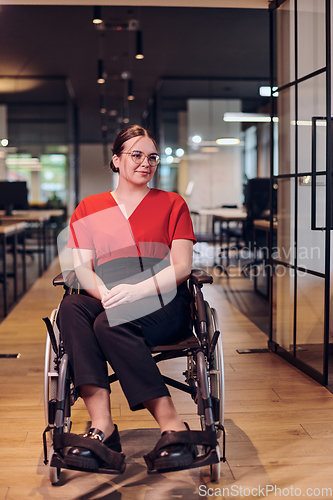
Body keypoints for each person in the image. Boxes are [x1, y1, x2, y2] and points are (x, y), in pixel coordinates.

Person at [57, 124, 197, 472]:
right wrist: (102, 292)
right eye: (136, 155)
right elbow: (81, 267)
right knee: (72, 306)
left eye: (152, 157)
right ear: (116, 160)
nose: (145, 163)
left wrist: (137, 289)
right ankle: (101, 426)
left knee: (109, 322)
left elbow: (181, 266)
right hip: (110, 292)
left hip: (162, 299)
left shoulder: (172, 203)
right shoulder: (91, 207)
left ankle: (172, 425)